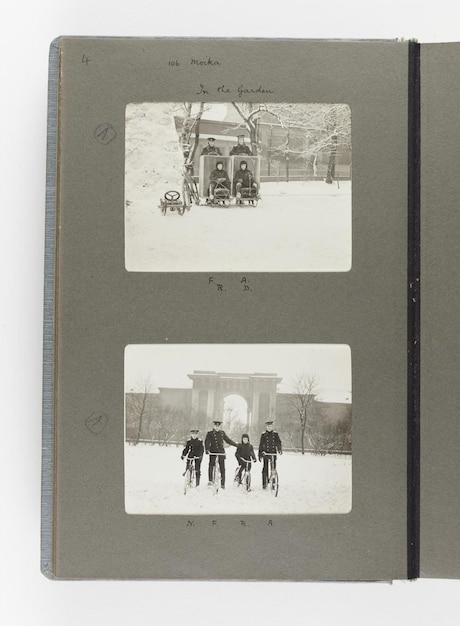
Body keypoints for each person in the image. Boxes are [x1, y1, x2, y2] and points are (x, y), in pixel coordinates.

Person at [205, 420, 238, 489]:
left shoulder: (222, 433)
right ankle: (210, 480)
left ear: (220, 426)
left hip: (221, 452)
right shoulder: (210, 433)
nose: (217, 427)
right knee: (211, 465)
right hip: (213, 452)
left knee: (222, 468)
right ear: (214, 426)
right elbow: (207, 442)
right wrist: (207, 449)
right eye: (216, 426)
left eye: (218, 426)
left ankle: (223, 484)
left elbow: (228, 440)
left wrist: (236, 445)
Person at [258, 420, 282, 489]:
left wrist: (279, 449)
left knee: (273, 468)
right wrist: (260, 454)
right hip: (266, 453)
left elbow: (278, 442)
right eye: (268, 426)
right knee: (265, 468)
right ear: (266, 427)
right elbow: (261, 445)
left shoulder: (275, 434)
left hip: (273, 453)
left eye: (270, 426)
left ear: (272, 427)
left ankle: (273, 483)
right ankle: (264, 483)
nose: (269, 428)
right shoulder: (263, 435)